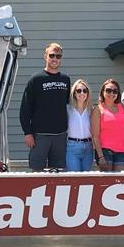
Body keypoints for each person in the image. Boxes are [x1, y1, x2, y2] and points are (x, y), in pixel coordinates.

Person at [19, 43, 71, 171]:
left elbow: (68, 105)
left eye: (58, 56)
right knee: (37, 171)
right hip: (39, 135)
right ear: (45, 57)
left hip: (60, 135)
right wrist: (27, 133)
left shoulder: (66, 79)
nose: (55, 59)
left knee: (59, 172)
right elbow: (25, 108)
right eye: (52, 55)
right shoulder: (35, 79)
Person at [91, 79, 124, 171]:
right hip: (105, 151)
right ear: (103, 92)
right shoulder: (98, 109)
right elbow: (95, 136)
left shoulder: (122, 107)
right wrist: (100, 157)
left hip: (121, 151)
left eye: (115, 91)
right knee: (107, 182)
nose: (111, 93)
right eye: (108, 90)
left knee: (120, 182)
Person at [65, 79, 94, 171]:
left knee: (86, 179)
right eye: (79, 90)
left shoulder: (92, 110)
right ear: (74, 93)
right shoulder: (67, 109)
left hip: (88, 147)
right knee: (74, 178)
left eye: (85, 91)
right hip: (72, 146)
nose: (82, 93)